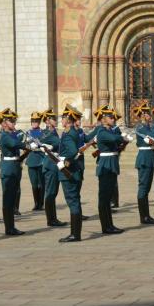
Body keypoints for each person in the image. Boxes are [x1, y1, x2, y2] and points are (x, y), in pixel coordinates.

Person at [95, 106, 132, 234]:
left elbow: (116, 146)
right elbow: (114, 139)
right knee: (104, 198)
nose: (113, 119)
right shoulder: (102, 131)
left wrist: (124, 143)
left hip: (111, 165)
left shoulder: (110, 130)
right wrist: (123, 137)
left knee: (108, 195)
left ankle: (110, 224)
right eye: (111, 117)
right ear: (104, 119)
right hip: (106, 166)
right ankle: (105, 226)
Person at [0, 108, 31, 236]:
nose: (14, 123)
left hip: (15, 167)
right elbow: (14, 144)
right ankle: (9, 228)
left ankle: (11, 226)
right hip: (8, 169)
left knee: (12, 198)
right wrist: (27, 145)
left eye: (14, 121)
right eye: (11, 121)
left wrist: (27, 150)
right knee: (8, 199)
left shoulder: (12, 134)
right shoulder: (5, 136)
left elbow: (18, 148)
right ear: (5, 123)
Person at [57, 104, 85, 242]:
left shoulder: (68, 134)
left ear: (68, 119)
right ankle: (75, 233)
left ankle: (75, 234)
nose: (61, 120)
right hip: (75, 170)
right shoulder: (73, 132)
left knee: (72, 201)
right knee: (75, 201)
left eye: (63, 117)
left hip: (70, 172)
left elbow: (73, 152)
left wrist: (65, 162)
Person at [133, 101, 154, 225]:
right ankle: (144, 216)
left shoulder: (146, 127)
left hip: (149, 158)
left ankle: (146, 215)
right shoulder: (141, 128)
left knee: (146, 187)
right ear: (143, 115)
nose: (150, 116)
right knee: (143, 187)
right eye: (148, 114)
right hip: (144, 159)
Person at [39, 109, 67, 227]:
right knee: (50, 192)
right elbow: (60, 144)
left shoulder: (53, 132)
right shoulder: (47, 133)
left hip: (54, 164)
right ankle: (51, 219)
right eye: (53, 119)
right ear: (47, 120)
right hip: (50, 165)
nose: (56, 120)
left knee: (53, 192)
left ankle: (52, 218)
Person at [25, 111, 45, 211]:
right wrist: (29, 146)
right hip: (31, 159)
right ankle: (36, 203)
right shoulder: (28, 133)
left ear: (39, 122)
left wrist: (39, 146)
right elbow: (24, 145)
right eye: (32, 121)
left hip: (41, 158)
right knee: (34, 183)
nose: (34, 122)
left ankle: (41, 203)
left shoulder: (43, 132)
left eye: (36, 121)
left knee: (41, 183)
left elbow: (45, 144)